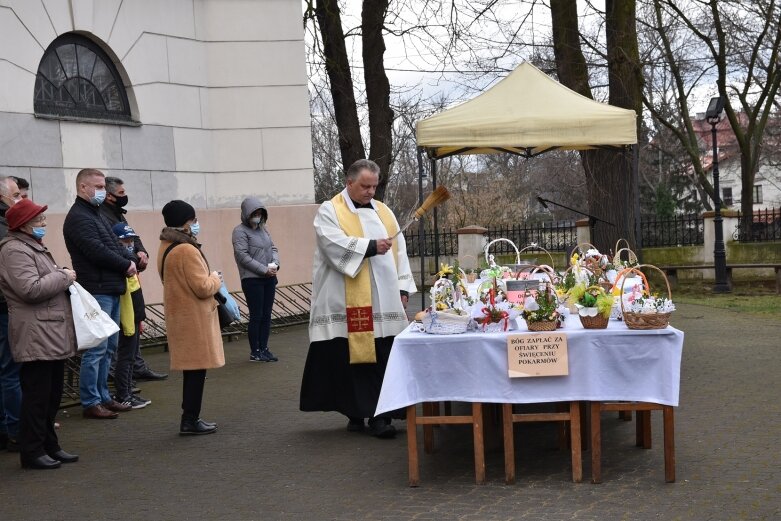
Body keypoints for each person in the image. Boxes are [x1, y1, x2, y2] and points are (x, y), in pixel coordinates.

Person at [300, 159, 417, 438]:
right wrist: (370, 246)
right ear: (349, 182)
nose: (370, 192)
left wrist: (402, 289)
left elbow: (399, 253)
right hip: (344, 300)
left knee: (382, 359)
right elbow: (331, 243)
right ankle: (356, 413)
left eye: (374, 186)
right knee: (347, 360)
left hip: (383, 301)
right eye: (365, 186)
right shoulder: (330, 210)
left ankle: (381, 417)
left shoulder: (384, 212)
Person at [0, 199, 79, 469]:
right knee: (37, 395)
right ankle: (32, 451)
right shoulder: (13, 250)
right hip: (35, 332)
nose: (44, 224)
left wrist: (59, 275)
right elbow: (30, 289)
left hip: (49, 330)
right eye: (39, 220)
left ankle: (50, 445)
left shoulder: (32, 246)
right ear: (24, 225)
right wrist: (64, 276)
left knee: (52, 394)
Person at [63, 169, 136, 419]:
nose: (102, 191)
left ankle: (104, 396)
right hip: (97, 288)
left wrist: (132, 257)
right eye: (97, 186)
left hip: (110, 286)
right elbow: (96, 251)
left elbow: (114, 244)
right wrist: (125, 264)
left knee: (109, 347)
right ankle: (91, 401)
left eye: (103, 186)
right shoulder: (79, 217)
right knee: (96, 348)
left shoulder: (96, 214)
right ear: (83, 188)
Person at [157, 200, 223, 435]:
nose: (196, 224)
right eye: (194, 220)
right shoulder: (186, 249)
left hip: (179, 316)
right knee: (196, 371)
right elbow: (203, 287)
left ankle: (190, 418)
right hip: (194, 318)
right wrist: (216, 277)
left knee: (192, 371)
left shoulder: (165, 246)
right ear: (187, 221)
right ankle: (190, 419)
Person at [100, 176, 167, 382]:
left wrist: (141, 252)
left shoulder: (118, 214)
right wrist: (132, 257)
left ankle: (137, 366)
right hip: (117, 279)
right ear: (110, 196)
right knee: (123, 328)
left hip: (131, 277)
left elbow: (132, 237)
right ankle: (119, 374)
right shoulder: (102, 216)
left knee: (135, 320)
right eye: (121, 193)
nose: (124, 196)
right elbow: (114, 245)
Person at [232, 197, 280, 362]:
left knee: (266, 315)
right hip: (252, 279)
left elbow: (273, 247)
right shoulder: (239, 232)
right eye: (255, 213)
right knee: (257, 315)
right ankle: (255, 351)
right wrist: (263, 270)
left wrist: (275, 264)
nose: (258, 216)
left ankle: (264, 348)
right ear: (246, 214)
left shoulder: (263, 229)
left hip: (269, 278)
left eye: (260, 213)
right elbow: (242, 256)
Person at [111, 223, 151, 410]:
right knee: (125, 358)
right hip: (126, 318)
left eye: (131, 241)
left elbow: (136, 293)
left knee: (130, 357)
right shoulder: (120, 263)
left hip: (134, 316)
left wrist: (140, 318)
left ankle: (128, 392)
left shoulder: (131, 265)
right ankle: (123, 395)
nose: (129, 245)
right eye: (125, 241)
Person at [0, 176, 22, 452]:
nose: (20, 199)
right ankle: (17, 429)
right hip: (6, 308)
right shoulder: (6, 229)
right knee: (10, 371)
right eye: (16, 194)